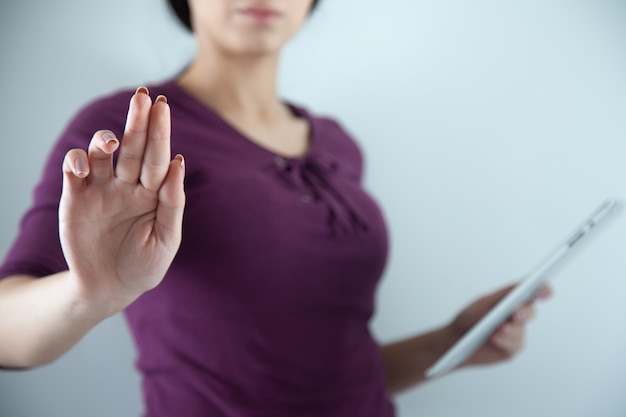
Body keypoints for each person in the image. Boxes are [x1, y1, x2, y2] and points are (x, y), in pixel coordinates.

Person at [0, 0, 551, 416]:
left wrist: (452, 338)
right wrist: (90, 292)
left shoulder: (339, 145)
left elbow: (325, 376)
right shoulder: (131, 129)